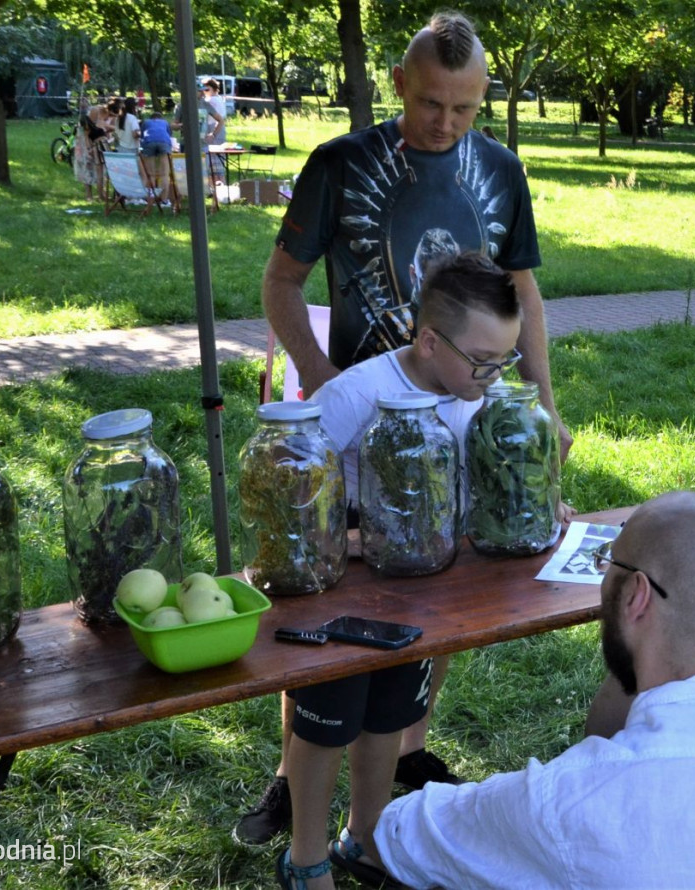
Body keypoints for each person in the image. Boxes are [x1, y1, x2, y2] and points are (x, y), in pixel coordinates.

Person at [238, 9, 575, 847]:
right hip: (360, 416)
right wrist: (322, 381)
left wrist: (540, 397)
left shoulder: (499, 168)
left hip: (461, 417)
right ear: (398, 85)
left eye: (465, 108)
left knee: (438, 581)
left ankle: (407, 751)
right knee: (331, 595)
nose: (447, 124)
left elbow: (522, 293)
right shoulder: (339, 164)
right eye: (431, 104)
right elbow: (281, 283)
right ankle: (293, 775)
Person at [371, 491, 695, 890]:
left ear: (636, 595)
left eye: (606, 566)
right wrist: (639, 656)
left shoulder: (569, 803)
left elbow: (395, 835)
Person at [276, 252, 523, 890]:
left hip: (421, 586)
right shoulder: (358, 394)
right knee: (332, 719)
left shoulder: (470, 392)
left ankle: (364, 837)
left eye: (505, 362)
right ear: (429, 340)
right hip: (345, 590)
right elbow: (286, 484)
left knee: (388, 717)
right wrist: (351, 542)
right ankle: (304, 860)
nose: (493, 378)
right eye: (482, 361)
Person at [139, 110, 172, 194]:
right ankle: (164, 200)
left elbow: (142, 136)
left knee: (151, 174)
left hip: (149, 143)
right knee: (164, 174)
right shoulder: (165, 122)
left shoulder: (146, 122)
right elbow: (169, 135)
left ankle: (151, 198)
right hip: (164, 143)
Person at [201, 79, 227, 183]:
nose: (205, 92)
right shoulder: (219, 98)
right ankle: (219, 185)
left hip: (214, 129)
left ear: (214, 89)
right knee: (218, 161)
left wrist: (213, 134)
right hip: (219, 129)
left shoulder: (211, 100)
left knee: (212, 161)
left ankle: (216, 185)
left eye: (207, 89)